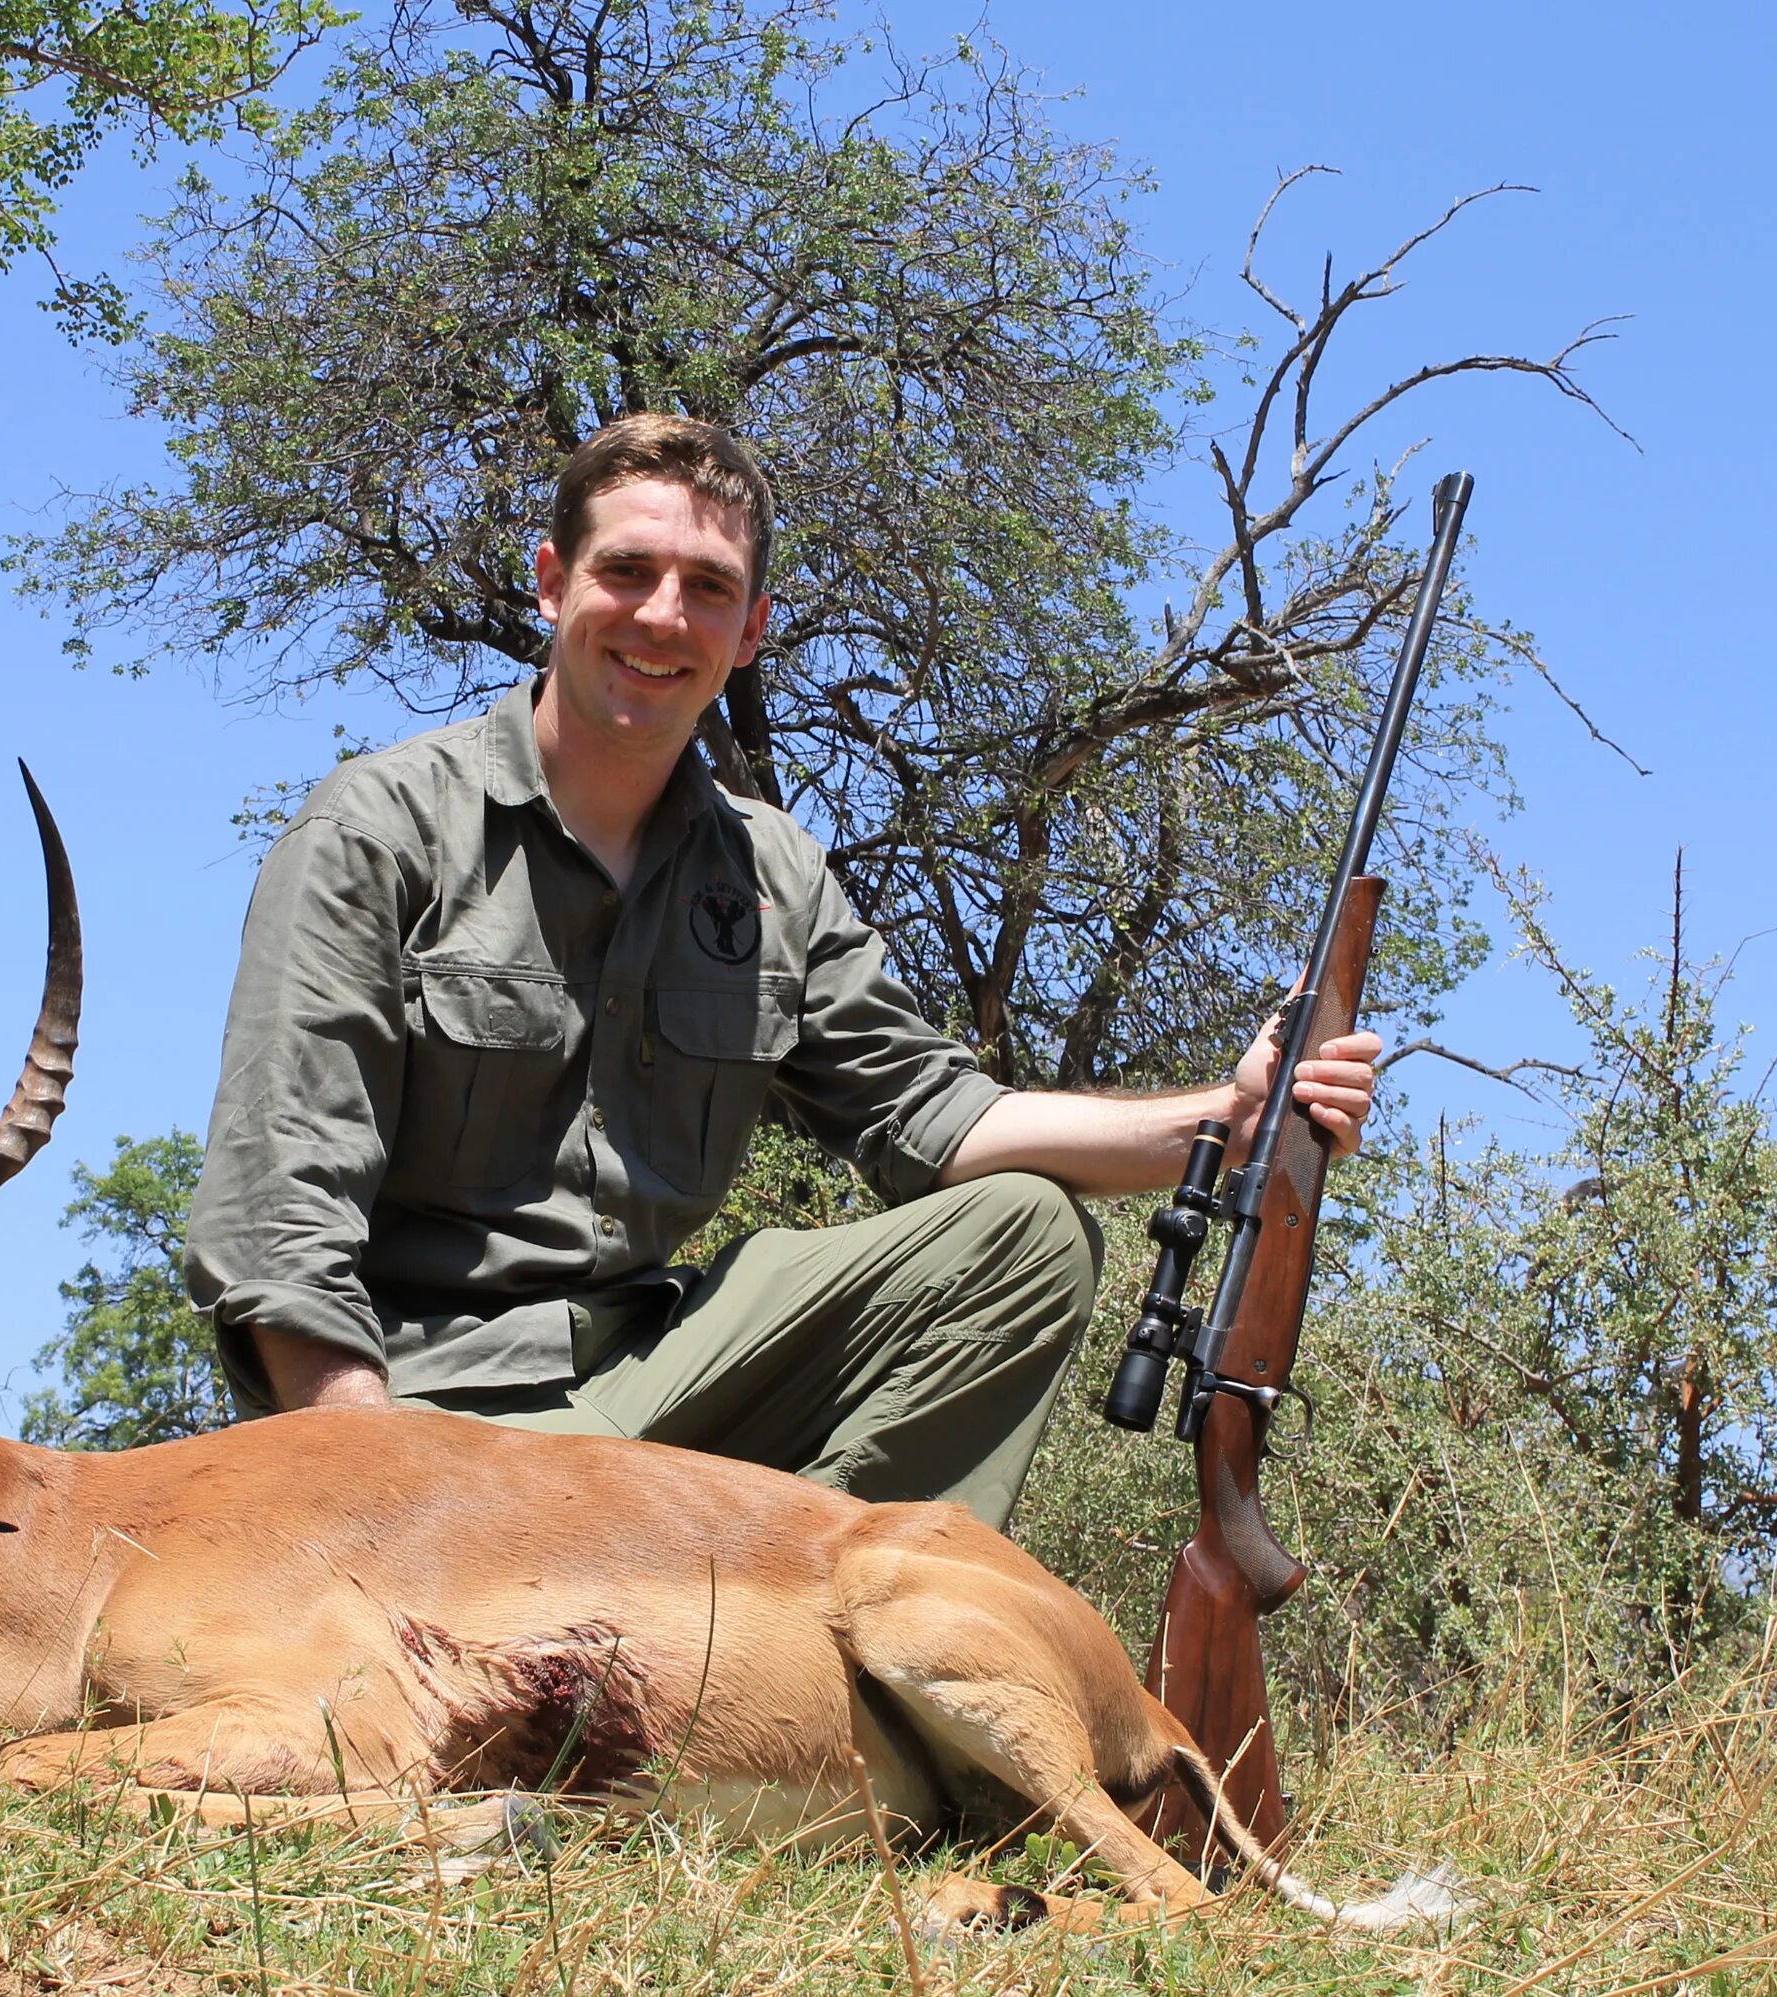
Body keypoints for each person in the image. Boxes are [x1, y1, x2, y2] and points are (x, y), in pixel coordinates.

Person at [182, 415, 1380, 1532]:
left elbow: (939, 1120)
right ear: (552, 582)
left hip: (650, 1374)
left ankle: (834, 1645)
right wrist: (369, 1503)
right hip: (427, 1419)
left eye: (709, 588)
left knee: (1028, 1230)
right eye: (628, 572)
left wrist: (1231, 1114)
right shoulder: (376, 827)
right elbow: (277, 1219)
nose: (663, 616)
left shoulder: (770, 870)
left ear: (748, 631)